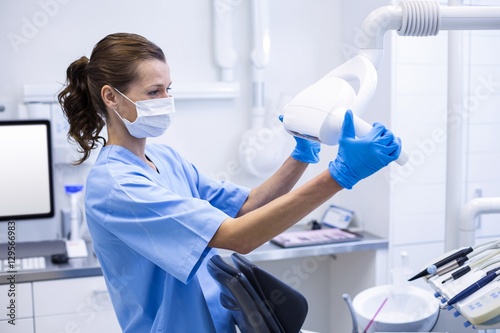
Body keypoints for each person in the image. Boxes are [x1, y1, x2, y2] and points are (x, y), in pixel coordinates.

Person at [58, 32, 401, 333]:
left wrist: (302, 151)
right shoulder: (117, 186)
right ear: (111, 97)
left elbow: (247, 205)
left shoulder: (164, 159)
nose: (166, 101)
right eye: (153, 91)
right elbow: (240, 236)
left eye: (168, 89)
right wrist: (340, 175)